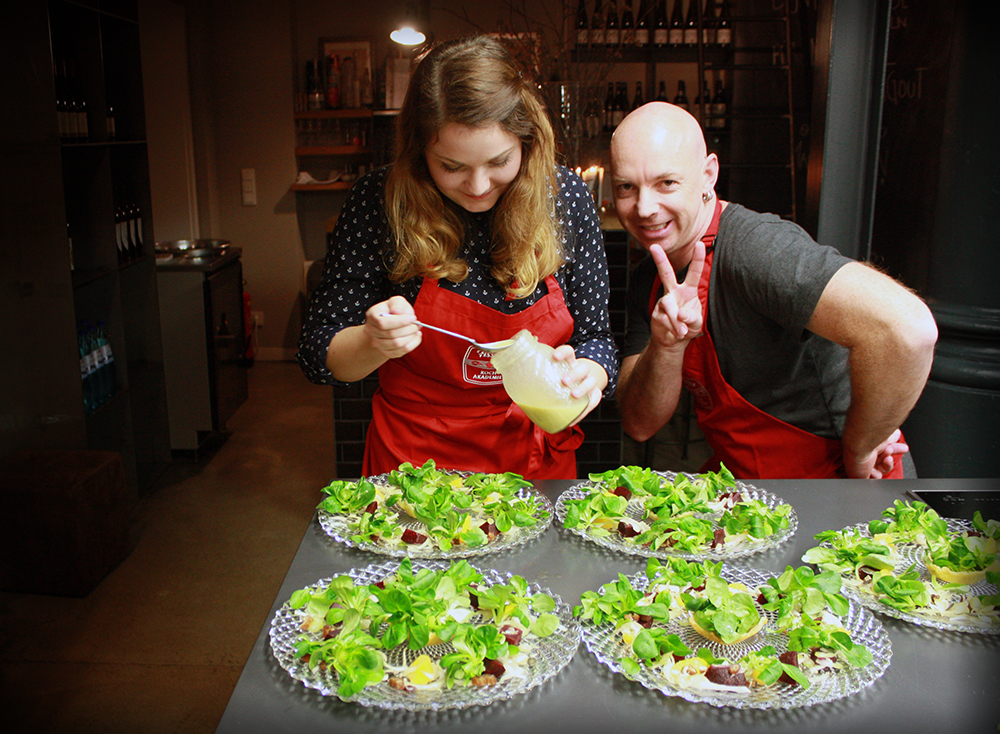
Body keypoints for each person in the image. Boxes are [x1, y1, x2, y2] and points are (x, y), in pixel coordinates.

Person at [297, 36, 618, 479]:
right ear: (418, 151)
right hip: (413, 470)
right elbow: (319, 353)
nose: (479, 185)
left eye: (499, 161)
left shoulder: (564, 198)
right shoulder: (379, 201)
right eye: (452, 166)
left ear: (526, 142)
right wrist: (373, 341)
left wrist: (592, 375)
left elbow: (598, 340)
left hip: (532, 465)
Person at [610, 102, 937, 479]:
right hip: (749, 490)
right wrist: (666, 348)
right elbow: (639, 423)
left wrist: (861, 448)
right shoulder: (647, 277)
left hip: (838, 485)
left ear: (708, 176)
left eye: (666, 183)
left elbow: (908, 329)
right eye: (626, 187)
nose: (645, 207)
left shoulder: (757, 249)